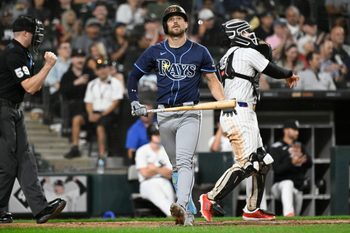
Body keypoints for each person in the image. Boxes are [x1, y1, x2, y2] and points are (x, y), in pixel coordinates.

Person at [127, 5, 226, 226]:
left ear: (186, 23)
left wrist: (224, 103)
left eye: (179, 18)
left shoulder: (200, 51)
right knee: (176, 167)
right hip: (163, 114)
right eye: (171, 19)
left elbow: (212, 81)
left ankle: (181, 206)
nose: (175, 22)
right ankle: (188, 206)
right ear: (165, 25)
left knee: (184, 162)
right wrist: (134, 100)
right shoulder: (155, 51)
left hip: (189, 112)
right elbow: (133, 76)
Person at [198, 18, 299, 222]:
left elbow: (263, 62)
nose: (249, 35)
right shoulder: (246, 52)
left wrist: (265, 51)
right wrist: (288, 73)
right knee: (247, 163)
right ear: (237, 34)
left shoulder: (228, 55)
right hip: (239, 111)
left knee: (262, 162)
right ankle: (209, 198)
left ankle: (252, 209)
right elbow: (271, 68)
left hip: (243, 112)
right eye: (245, 32)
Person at [0, 15, 66, 224]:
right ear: (26, 33)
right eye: (36, 33)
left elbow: (32, 88)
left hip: (14, 110)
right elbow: (30, 87)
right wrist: (48, 66)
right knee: (8, 163)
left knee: (26, 159)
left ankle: (40, 209)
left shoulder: (22, 52)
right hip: (2, 109)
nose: (38, 37)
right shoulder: (13, 53)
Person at [269, 120, 312, 216]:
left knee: (295, 219)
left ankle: (290, 218)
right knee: (288, 183)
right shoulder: (276, 147)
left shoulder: (299, 146)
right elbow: (277, 169)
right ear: (286, 130)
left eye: (297, 130)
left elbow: (310, 164)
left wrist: (304, 159)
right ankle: (288, 214)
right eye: (294, 130)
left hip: (296, 188)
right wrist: (291, 162)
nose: (297, 132)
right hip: (279, 186)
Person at [135, 124, 175, 217]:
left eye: (159, 134)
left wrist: (155, 168)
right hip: (147, 183)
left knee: (171, 201)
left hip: (164, 181)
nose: (158, 136)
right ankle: (175, 216)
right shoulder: (142, 150)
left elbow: (169, 174)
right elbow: (144, 173)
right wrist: (161, 170)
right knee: (162, 199)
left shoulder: (166, 150)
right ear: (150, 135)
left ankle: (174, 217)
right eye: (155, 134)